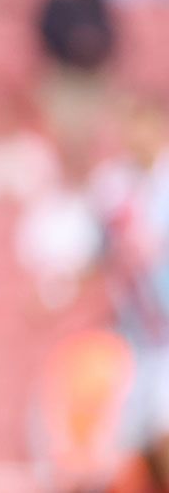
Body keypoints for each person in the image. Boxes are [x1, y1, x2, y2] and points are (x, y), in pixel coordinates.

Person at [86, 95, 169, 489]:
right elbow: (96, 252)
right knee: (118, 451)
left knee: (163, 434)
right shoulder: (112, 188)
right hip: (134, 339)